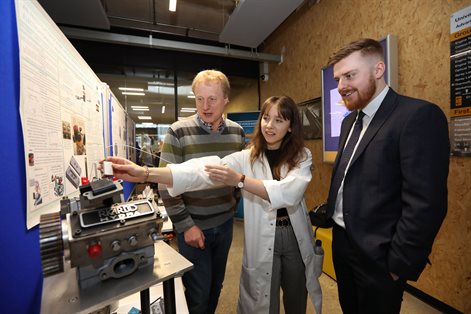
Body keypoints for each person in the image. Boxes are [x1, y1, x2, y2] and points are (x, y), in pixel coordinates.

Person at [104, 96, 322, 314]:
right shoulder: (248, 157)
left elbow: (288, 193)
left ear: (291, 126)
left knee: (296, 299)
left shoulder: (302, 156)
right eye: (266, 118)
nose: (269, 126)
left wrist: (240, 180)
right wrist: (146, 173)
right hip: (264, 238)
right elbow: (203, 170)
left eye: (278, 120)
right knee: (264, 300)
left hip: (294, 236)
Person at [324, 38, 450, 314]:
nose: (341, 85)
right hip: (343, 245)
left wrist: (398, 265)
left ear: (378, 69)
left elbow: (426, 204)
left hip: (380, 258)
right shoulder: (349, 121)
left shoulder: (418, 116)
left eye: (350, 75)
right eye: (337, 78)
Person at [160, 69, 245, 314]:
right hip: (194, 228)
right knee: (198, 293)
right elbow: (166, 184)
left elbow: (239, 178)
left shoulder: (237, 133)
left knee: (216, 287)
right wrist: (186, 225)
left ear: (226, 99)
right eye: (199, 99)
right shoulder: (178, 131)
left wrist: (230, 207)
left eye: (212, 99)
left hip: (225, 226)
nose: (205, 106)